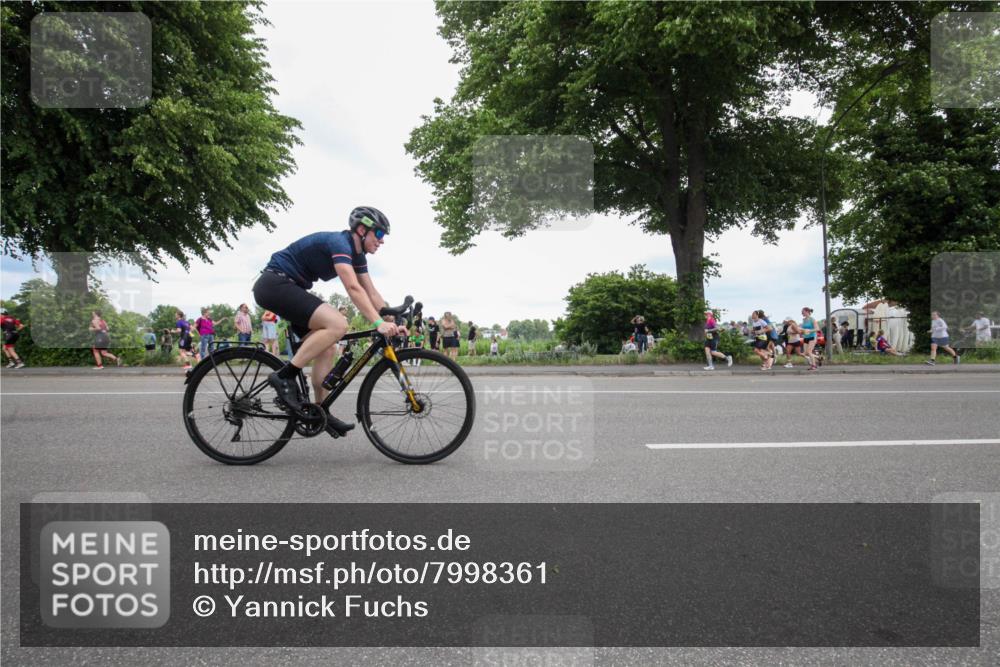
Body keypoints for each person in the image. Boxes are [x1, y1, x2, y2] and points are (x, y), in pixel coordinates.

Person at [251, 206, 402, 436]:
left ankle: (319, 411)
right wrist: (377, 323)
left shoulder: (358, 254)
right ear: (362, 230)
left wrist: (392, 318)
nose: (382, 241)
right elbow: (352, 287)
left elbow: (370, 291)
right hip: (275, 284)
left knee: (328, 346)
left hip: (291, 287)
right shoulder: (341, 243)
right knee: (338, 324)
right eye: (379, 234)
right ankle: (284, 376)